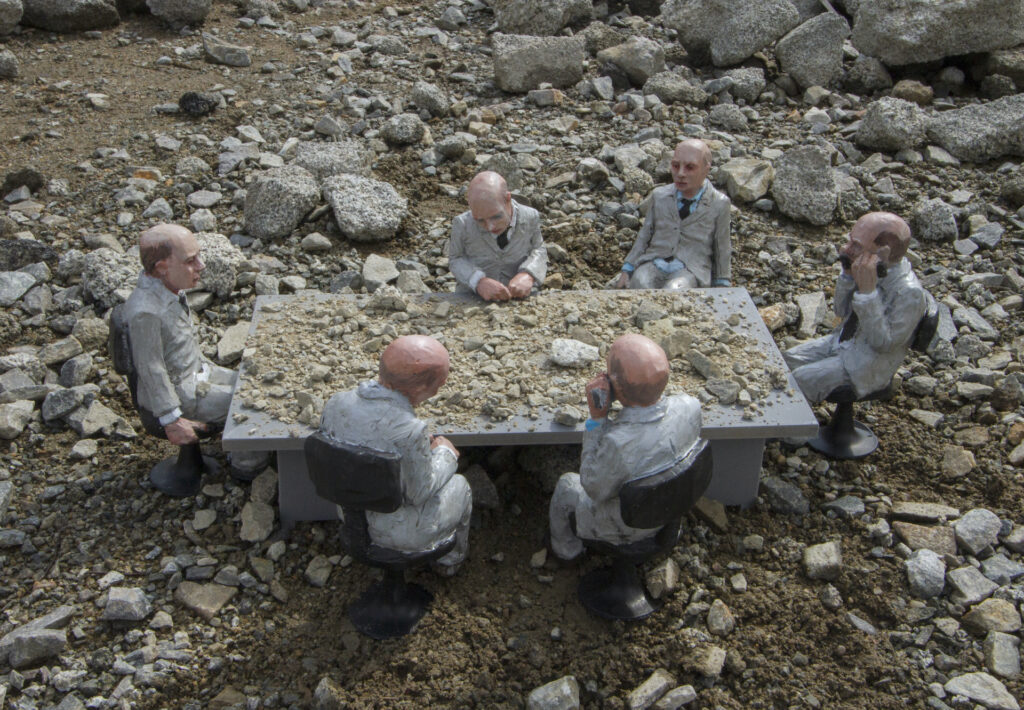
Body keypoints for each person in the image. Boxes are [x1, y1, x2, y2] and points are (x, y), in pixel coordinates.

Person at [123, 224, 267, 480]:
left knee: (254, 384)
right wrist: (172, 420)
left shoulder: (168, 289)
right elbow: (151, 369)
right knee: (250, 406)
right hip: (180, 393)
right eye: (190, 261)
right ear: (162, 267)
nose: (201, 265)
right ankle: (247, 466)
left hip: (196, 371)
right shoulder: (146, 312)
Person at [318, 335, 472, 575]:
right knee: (460, 485)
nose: (438, 389)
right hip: (398, 532)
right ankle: (448, 563)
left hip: (349, 513)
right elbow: (418, 494)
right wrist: (445, 453)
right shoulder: (411, 430)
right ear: (420, 388)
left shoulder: (336, 402)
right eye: (439, 384)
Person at [548, 334, 702, 562]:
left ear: (615, 387)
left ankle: (567, 552)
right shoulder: (691, 406)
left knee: (566, 485)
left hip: (627, 526)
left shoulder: (618, 443)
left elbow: (592, 488)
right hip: (671, 508)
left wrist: (597, 420)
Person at [783, 211, 928, 403]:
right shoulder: (868, 268)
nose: (846, 248)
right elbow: (841, 312)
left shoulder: (909, 293)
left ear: (884, 252)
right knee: (784, 360)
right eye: (849, 240)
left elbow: (883, 343)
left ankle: (790, 418)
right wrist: (847, 276)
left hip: (865, 364)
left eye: (856, 245)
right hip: (842, 343)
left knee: (801, 379)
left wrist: (868, 295)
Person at [613, 139, 731, 290]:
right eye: (675, 166)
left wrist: (722, 282)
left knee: (675, 290)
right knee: (641, 282)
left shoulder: (719, 203)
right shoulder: (660, 196)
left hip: (690, 268)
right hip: (655, 261)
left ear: (705, 169)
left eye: (690, 167)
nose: (680, 174)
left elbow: (722, 246)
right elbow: (644, 236)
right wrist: (628, 268)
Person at [449, 170, 547, 301]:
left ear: (507, 199)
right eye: (480, 220)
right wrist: (478, 281)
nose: (490, 227)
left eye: (496, 217)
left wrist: (528, 274)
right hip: (473, 298)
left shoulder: (530, 217)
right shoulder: (462, 224)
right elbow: (455, 258)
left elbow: (539, 249)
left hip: (519, 297)